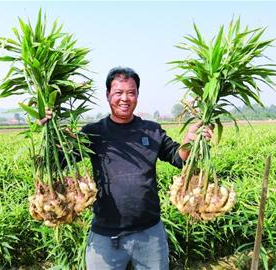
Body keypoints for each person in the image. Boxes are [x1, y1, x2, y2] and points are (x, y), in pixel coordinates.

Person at [40, 67, 212, 270]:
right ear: (107, 95)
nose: (125, 98)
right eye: (118, 92)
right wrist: (48, 131)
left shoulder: (151, 130)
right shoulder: (93, 133)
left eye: (131, 92)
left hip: (150, 234)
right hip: (105, 236)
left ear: (137, 95)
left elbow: (178, 158)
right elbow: (58, 162)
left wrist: (190, 141)